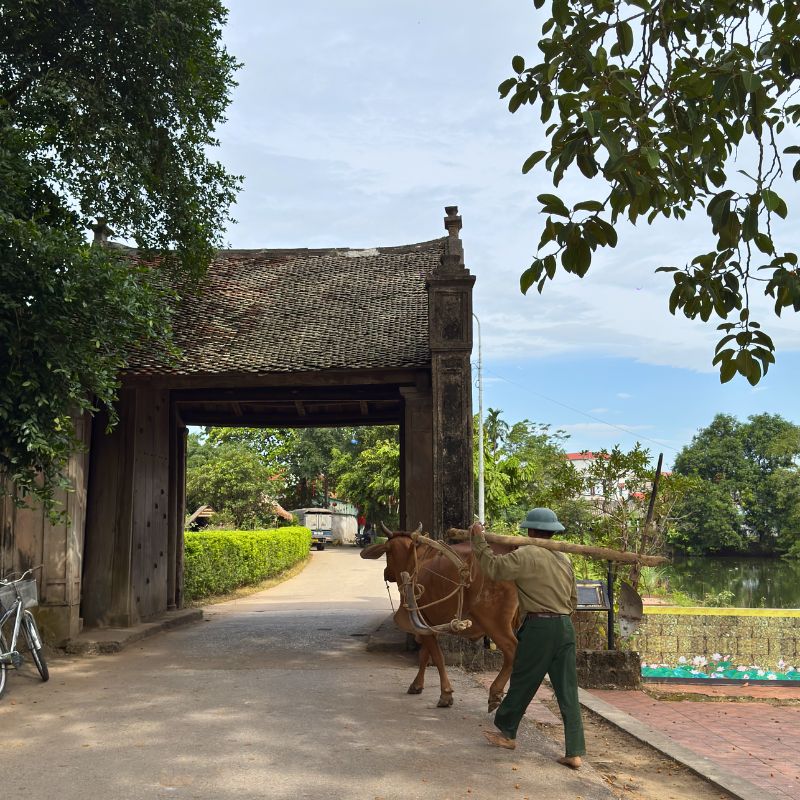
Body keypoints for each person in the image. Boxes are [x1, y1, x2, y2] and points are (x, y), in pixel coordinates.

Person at [469, 508, 585, 770]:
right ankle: (575, 752)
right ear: (553, 532)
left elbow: (495, 569)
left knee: (523, 680)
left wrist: (478, 540)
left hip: (539, 627)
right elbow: (574, 600)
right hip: (565, 627)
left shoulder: (526, 554)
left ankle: (507, 733)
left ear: (530, 531)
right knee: (567, 690)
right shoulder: (564, 559)